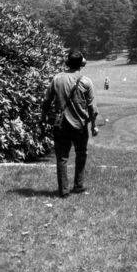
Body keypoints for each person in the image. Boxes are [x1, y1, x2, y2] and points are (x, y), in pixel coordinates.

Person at [42, 50, 99, 198]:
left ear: (67, 63)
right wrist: (93, 125)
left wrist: (42, 116)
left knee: (62, 158)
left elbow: (47, 101)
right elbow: (92, 107)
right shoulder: (86, 81)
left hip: (60, 125)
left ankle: (63, 191)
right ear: (81, 64)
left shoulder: (57, 79)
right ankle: (78, 186)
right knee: (81, 154)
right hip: (80, 125)